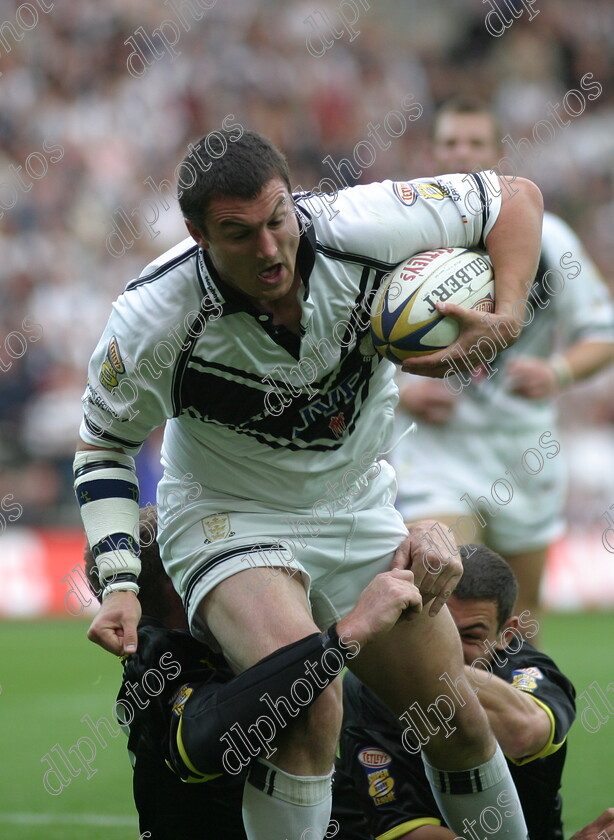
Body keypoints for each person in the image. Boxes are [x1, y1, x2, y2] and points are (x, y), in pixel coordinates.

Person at [74, 128, 544, 839]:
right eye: (238, 235)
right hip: (229, 518)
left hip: (358, 504)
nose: (268, 249)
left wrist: (506, 317)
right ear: (198, 235)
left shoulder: (364, 223)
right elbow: (102, 445)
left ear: (292, 201)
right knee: (307, 701)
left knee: (450, 714)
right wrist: (119, 582)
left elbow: (514, 200)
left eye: (276, 221)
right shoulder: (150, 321)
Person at [393, 98, 614, 636]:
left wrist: (556, 372)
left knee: (515, 628)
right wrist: (402, 390)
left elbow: (603, 332)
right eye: (450, 144)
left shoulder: (548, 237)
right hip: (436, 453)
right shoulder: (402, 240)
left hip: (523, 454)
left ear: (497, 156)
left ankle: (505, 715)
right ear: (433, 153)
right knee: (437, 602)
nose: (461, 154)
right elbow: (351, 341)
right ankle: (426, 717)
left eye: (474, 144)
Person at [84, 505, 423, 840]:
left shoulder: (225, 639)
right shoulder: (155, 658)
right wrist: (345, 636)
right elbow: (202, 745)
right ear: (181, 579)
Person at [334, 544, 577, 840]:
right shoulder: (367, 691)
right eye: (439, 629)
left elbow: (524, 734)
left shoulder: (526, 667)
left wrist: (426, 668)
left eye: (471, 636)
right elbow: (407, 831)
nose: (452, 647)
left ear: (506, 635)